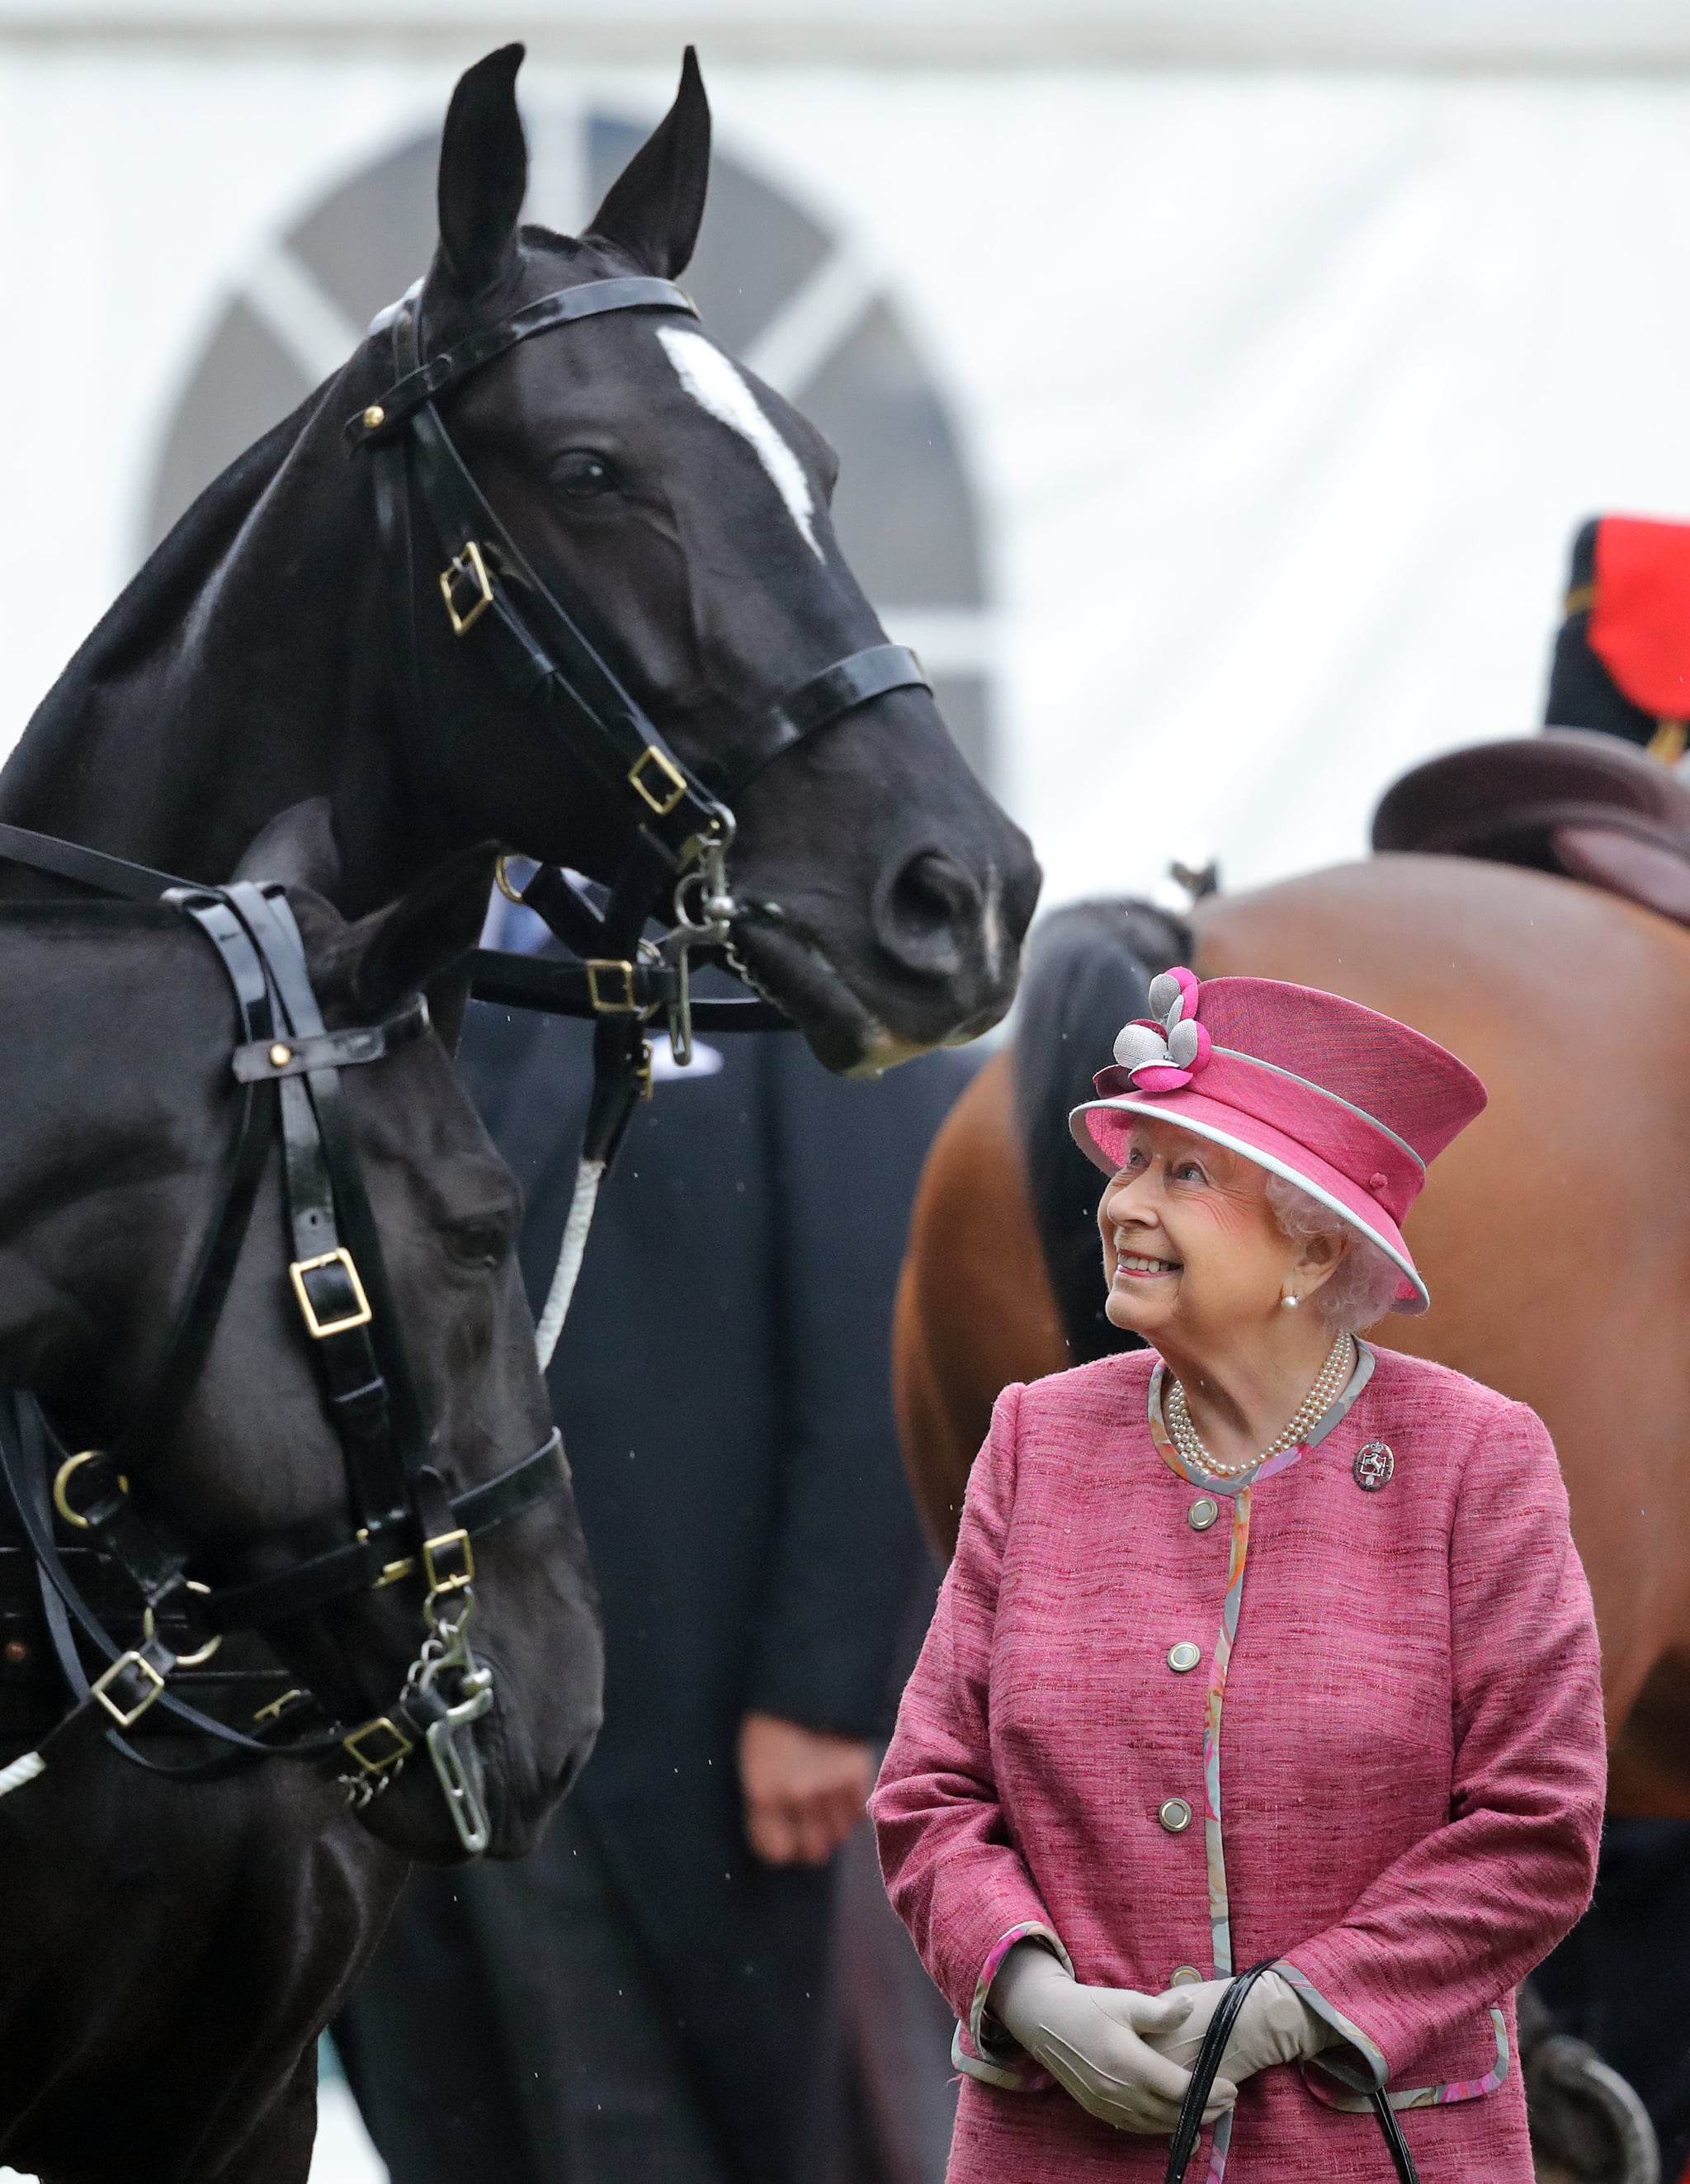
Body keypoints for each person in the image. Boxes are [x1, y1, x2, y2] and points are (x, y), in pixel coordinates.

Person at [871, 964, 1607, 2182]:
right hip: (1055, 2145)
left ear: (1312, 1251)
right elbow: (929, 1794)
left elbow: (1539, 1825)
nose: (1119, 1205)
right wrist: (1033, 1993)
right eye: (1127, 1165)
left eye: (1184, 1172)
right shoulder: (1033, 1438)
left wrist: (1285, 2008)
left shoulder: (1478, 1459)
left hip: (1372, 2149)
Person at [335, 966, 969, 2184]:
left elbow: (877, 1309)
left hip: (712, 1719)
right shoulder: (394, 952)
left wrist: (824, 1685)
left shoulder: (782, 951)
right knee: (459, 2115)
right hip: (415, 1710)